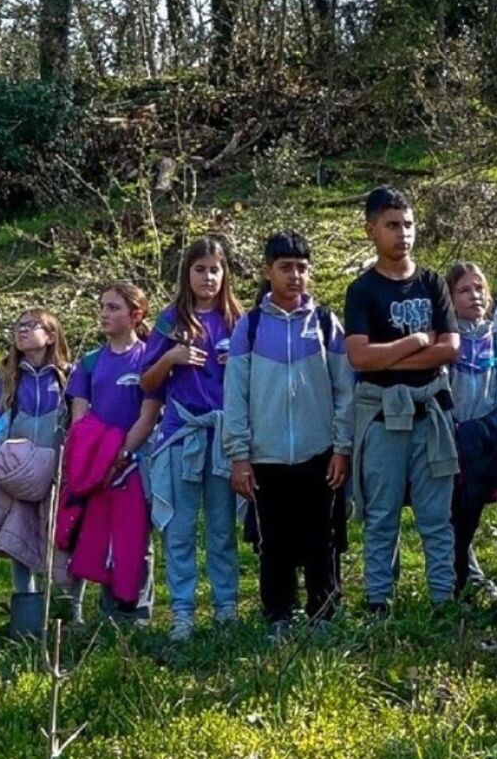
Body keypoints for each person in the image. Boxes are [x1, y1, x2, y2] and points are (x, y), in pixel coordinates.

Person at [224, 234, 354, 637]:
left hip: (320, 452)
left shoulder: (326, 323)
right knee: (273, 541)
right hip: (266, 455)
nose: (295, 275)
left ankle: (324, 613)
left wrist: (342, 447)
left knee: (323, 537)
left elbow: (344, 390)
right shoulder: (250, 326)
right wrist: (239, 454)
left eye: (301, 267)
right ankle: (278, 614)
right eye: (285, 267)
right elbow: (236, 394)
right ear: (268, 271)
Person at [345, 187, 461, 616]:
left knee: (436, 516)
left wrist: (390, 354)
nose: (403, 233)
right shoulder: (362, 291)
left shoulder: (432, 282)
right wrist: (413, 341)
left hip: (430, 412)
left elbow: (450, 348)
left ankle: (442, 601)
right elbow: (360, 356)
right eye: (393, 225)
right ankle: (378, 601)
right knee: (381, 514)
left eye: (409, 224)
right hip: (380, 414)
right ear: (371, 230)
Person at [142, 238, 245, 641]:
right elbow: (147, 385)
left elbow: (253, 378)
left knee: (221, 529)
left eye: (215, 269)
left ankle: (226, 607)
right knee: (180, 530)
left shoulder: (238, 321)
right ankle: (182, 611)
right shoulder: (170, 321)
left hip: (224, 436)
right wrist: (171, 358)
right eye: (200, 269)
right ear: (187, 273)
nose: (208, 277)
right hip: (182, 434)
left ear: (225, 274)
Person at [0, 309, 73, 627]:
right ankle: (26, 611)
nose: (22, 332)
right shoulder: (8, 378)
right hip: (18, 474)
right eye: (18, 327)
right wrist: (5, 465)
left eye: (31, 326)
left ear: (51, 335)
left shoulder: (69, 375)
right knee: (18, 535)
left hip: (57, 471)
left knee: (59, 537)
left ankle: (67, 611)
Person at [66, 283, 162, 620]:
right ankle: (108, 613)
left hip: (139, 462)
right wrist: (99, 457)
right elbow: (79, 416)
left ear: (136, 315)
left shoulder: (150, 358)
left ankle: (138, 612)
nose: (104, 314)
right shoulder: (89, 362)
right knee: (102, 532)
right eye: (102, 307)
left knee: (138, 539)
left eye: (113, 308)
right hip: (98, 467)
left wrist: (123, 454)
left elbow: (148, 415)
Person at [446, 262, 497, 606]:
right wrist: (457, 433)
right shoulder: (446, 342)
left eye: (479, 288)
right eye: (464, 290)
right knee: (453, 522)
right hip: (451, 450)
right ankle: (456, 585)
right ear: (449, 299)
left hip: (488, 452)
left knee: (473, 519)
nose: (474, 296)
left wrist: (488, 433)